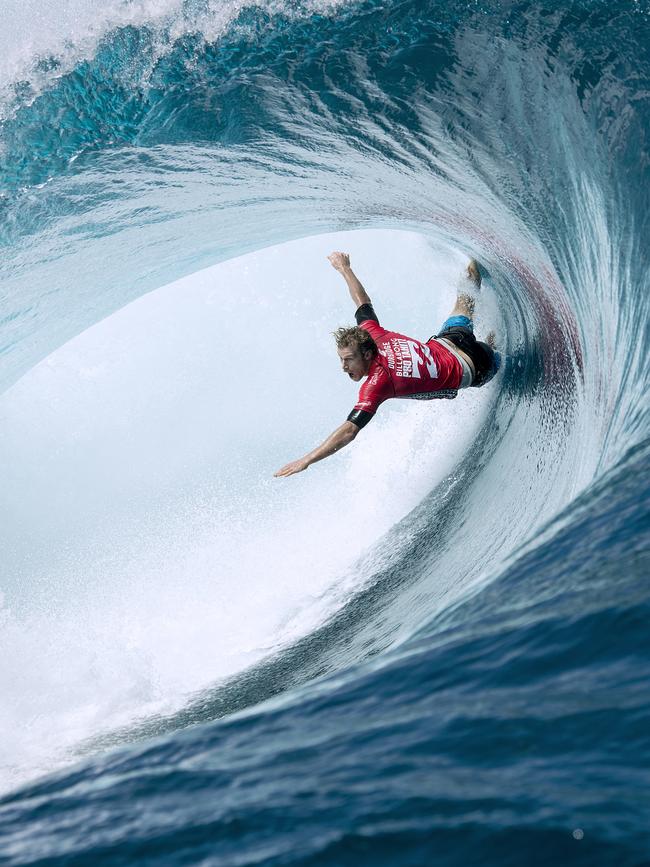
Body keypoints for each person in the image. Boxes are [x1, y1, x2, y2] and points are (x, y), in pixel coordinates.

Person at [274, 251, 500, 478]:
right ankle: (480, 252)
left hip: (472, 366)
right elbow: (362, 302)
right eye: (341, 359)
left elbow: (349, 431)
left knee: (499, 353)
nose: (343, 366)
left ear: (368, 354)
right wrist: (344, 268)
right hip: (450, 339)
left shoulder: (377, 382)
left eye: (349, 359)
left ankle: (493, 345)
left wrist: (306, 460)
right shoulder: (372, 332)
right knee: (465, 297)